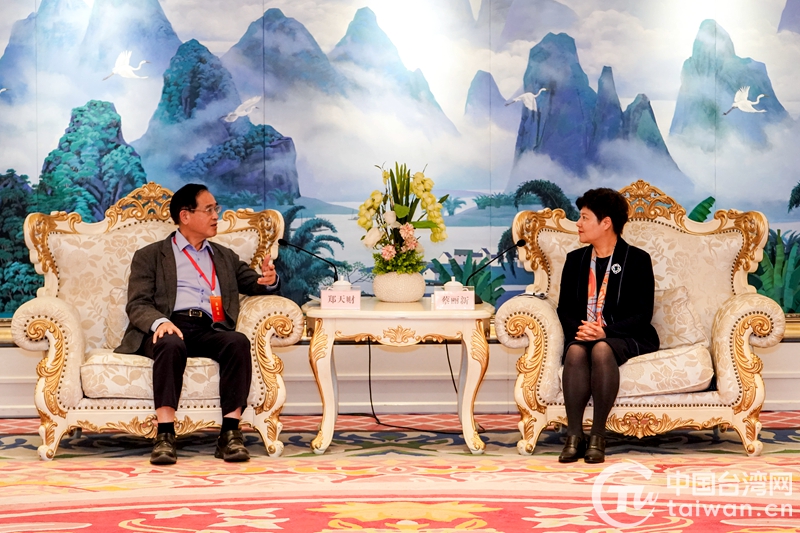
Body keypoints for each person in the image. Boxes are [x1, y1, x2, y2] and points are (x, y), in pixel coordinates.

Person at [115, 183, 280, 465]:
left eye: (216, 209)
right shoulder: (151, 255)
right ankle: (165, 435)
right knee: (169, 343)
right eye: (209, 210)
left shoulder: (224, 256)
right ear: (185, 216)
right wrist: (160, 322)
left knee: (237, 342)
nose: (217, 216)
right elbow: (137, 303)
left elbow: (254, 283)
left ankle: (230, 434)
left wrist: (268, 280)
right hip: (171, 324)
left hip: (209, 328)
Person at [556, 188, 659, 464]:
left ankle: (598, 436)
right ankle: (574, 436)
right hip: (583, 332)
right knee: (575, 351)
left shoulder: (637, 260)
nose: (578, 224)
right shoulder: (575, 261)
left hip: (623, 334)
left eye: (584, 217)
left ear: (606, 223)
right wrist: (582, 331)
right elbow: (564, 309)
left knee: (602, 349)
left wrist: (604, 332)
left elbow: (642, 314)